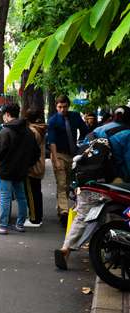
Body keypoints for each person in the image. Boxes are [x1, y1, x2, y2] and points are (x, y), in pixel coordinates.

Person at [54, 106, 130, 270]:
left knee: (82, 214)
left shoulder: (100, 129)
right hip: (105, 181)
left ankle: (66, 248)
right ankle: (111, 248)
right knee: (117, 211)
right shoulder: (127, 134)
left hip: (84, 177)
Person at [0, 103, 40, 235]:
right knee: (21, 197)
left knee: (5, 197)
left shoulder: (5, 131)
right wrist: (27, 164)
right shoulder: (29, 131)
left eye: (3, 116)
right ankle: (20, 224)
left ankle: (3, 226)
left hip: (5, 170)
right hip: (21, 170)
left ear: (7, 115)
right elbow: (36, 153)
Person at [47, 95, 88, 226]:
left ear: (68, 106)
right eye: (60, 107)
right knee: (61, 183)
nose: (62, 109)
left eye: (64, 107)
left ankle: (61, 208)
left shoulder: (75, 116)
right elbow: (51, 142)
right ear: (56, 106)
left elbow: (84, 130)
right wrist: (55, 159)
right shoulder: (53, 121)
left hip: (73, 154)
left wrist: (81, 145)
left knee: (69, 183)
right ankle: (64, 212)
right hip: (59, 154)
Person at [24, 109, 47, 227]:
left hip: (33, 167)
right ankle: (38, 217)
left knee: (32, 194)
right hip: (39, 165)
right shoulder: (40, 128)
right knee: (37, 192)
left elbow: (30, 151)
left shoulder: (32, 131)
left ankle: (34, 219)